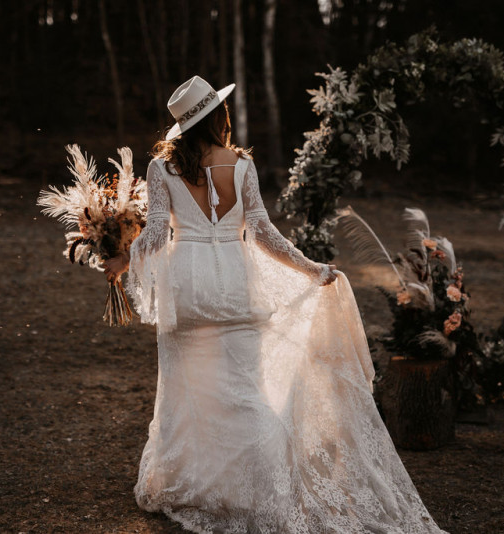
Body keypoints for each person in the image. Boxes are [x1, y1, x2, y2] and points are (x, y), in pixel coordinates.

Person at [104, 75, 447, 533]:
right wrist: (312, 268)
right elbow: (264, 234)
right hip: (235, 284)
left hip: (187, 286)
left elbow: (152, 234)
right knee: (246, 390)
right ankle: (255, 486)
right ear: (218, 116)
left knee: (189, 392)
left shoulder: (162, 168)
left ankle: (195, 480)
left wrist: (122, 262)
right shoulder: (241, 165)